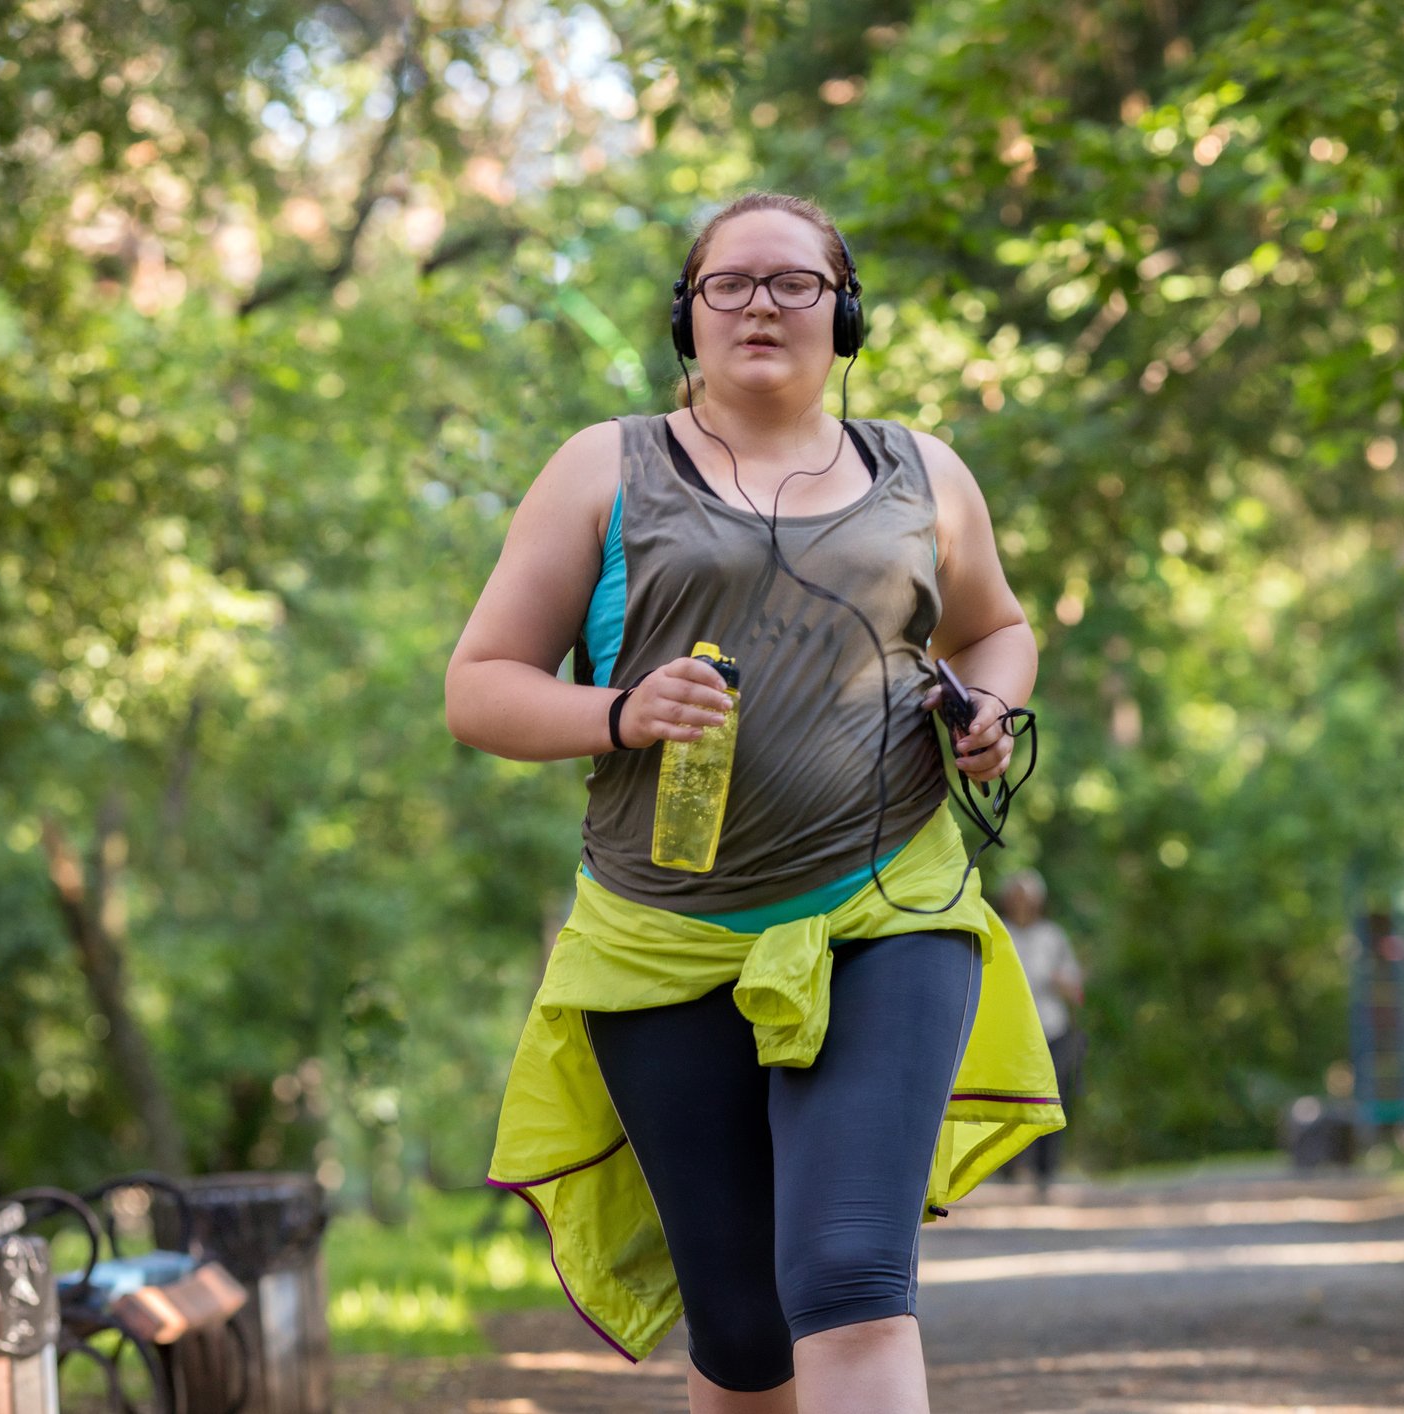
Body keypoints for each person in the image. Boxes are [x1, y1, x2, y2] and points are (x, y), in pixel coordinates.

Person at [445, 191, 1064, 1414]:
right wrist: (621, 711)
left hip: (886, 911)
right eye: (730, 283)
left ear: (847, 316)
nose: (762, 305)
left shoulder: (922, 473)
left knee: (848, 1273)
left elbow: (998, 628)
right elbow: (479, 688)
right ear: (690, 314)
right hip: (659, 937)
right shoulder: (601, 468)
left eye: (797, 283)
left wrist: (988, 712)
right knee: (740, 1329)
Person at [998, 870, 1084, 1198]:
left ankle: (1047, 1172)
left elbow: (1076, 990)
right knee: (1013, 1101)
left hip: (1051, 1029)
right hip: (1011, 1032)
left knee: (1051, 1100)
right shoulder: (999, 931)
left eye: (1028, 897)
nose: (1022, 903)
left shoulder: (1053, 936)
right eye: (1017, 896)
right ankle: (1013, 1169)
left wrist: (1065, 983)